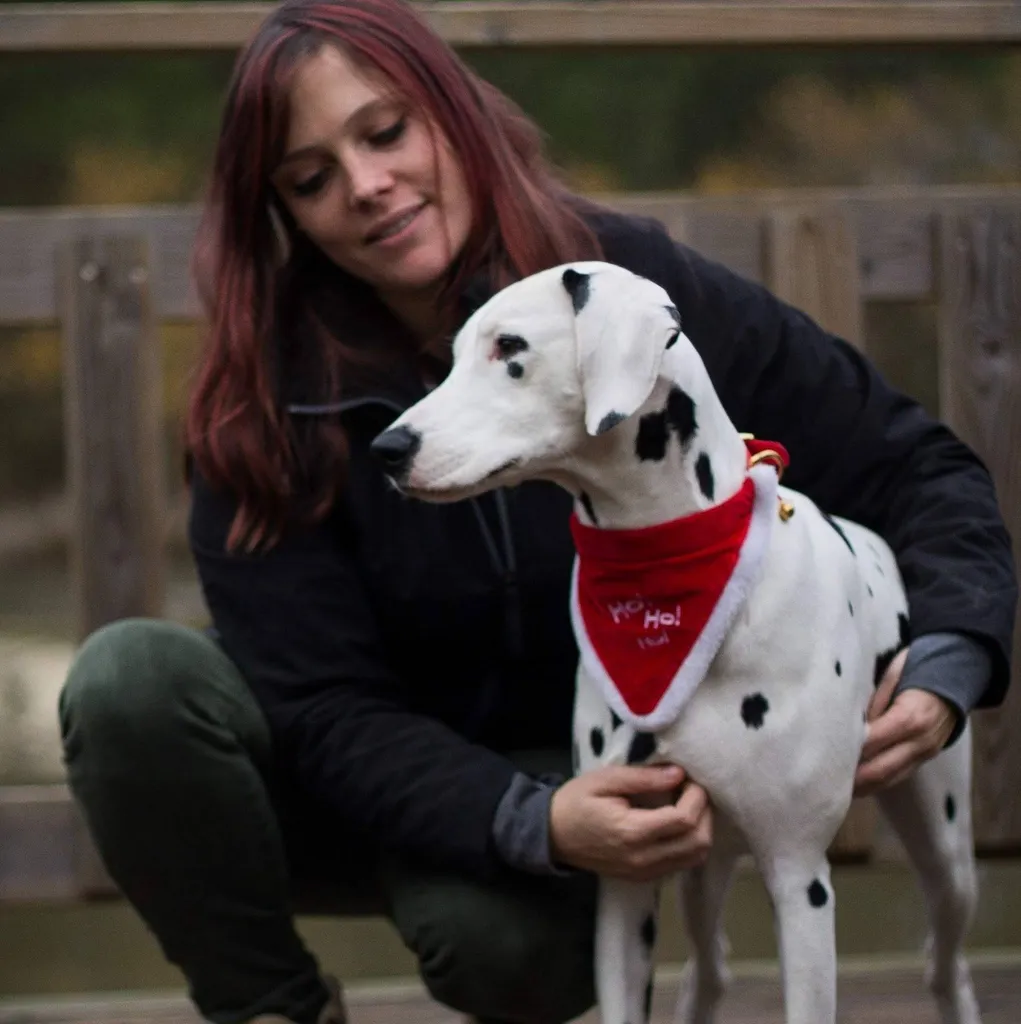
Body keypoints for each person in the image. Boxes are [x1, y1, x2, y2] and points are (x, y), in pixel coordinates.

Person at [57, 1, 1017, 1022]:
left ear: (450, 112)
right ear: (283, 211)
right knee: (129, 682)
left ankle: (503, 909)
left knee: (518, 953)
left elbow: (910, 465)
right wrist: (528, 820)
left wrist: (952, 654)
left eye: (385, 132)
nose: (365, 186)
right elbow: (322, 708)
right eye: (310, 178)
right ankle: (271, 1006)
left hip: (574, 765)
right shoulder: (263, 392)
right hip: (337, 787)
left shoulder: (627, 297)